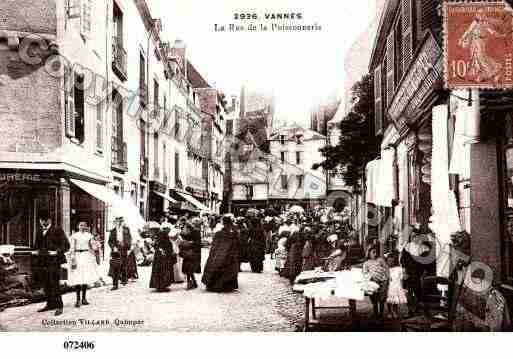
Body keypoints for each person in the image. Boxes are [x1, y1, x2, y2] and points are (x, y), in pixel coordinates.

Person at [33, 211, 70, 316]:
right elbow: (36, 245)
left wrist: (56, 252)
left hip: (54, 262)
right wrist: (35, 251)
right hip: (43, 261)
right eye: (40, 220)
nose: (42, 222)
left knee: (54, 284)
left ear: (49, 220)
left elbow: (66, 245)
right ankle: (49, 304)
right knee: (46, 284)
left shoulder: (57, 230)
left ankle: (59, 306)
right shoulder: (39, 231)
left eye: (44, 220)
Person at [202, 215, 240, 292]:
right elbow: (237, 244)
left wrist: (213, 254)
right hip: (229, 255)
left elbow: (214, 245)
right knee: (229, 269)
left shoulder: (219, 233)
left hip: (219, 254)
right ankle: (226, 285)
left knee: (216, 267)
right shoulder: (233, 234)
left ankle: (213, 284)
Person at [68, 221, 99, 308]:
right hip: (78, 256)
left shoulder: (89, 236)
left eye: (84, 225)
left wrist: (95, 245)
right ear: (78, 226)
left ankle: (84, 298)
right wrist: (73, 258)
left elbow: (93, 246)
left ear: (86, 227)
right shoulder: (74, 236)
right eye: (80, 225)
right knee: (78, 278)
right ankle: (77, 299)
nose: (82, 227)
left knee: (85, 277)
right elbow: (72, 247)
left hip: (86, 256)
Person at [363, 245, 389, 321]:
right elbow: (365, 273)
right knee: (374, 299)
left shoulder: (380, 260)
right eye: (373, 252)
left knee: (381, 299)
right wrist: (369, 278)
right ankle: (375, 314)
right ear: (369, 253)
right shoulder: (366, 263)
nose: (375, 254)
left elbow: (386, 268)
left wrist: (387, 278)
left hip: (382, 281)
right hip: (373, 283)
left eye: (376, 252)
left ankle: (381, 314)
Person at [108, 217, 133, 290]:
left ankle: (124, 279)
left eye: (120, 221)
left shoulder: (126, 229)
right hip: (116, 250)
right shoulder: (112, 231)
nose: (118, 223)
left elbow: (129, 238)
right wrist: (113, 247)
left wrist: (127, 246)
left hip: (124, 249)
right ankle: (115, 284)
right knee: (115, 266)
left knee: (124, 265)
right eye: (117, 222)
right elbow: (110, 241)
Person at [149, 223, 176, 291]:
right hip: (161, 255)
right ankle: (161, 285)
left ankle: (160, 285)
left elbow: (163, 244)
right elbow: (161, 244)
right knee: (162, 270)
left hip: (162, 255)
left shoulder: (160, 234)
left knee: (161, 270)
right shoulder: (160, 234)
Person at [385, 252, 407, 319]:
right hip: (390, 286)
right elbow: (386, 278)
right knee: (389, 300)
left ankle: (395, 311)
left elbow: (401, 279)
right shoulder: (387, 269)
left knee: (395, 300)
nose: (390, 263)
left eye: (392, 261)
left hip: (397, 286)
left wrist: (402, 287)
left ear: (395, 261)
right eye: (389, 261)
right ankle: (389, 311)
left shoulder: (398, 269)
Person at [178, 223, 198, 290]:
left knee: (189, 270)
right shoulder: (187, 234)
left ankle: (189, 284)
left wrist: (188, 243)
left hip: (189, 255)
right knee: (189, 270)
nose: (184, 229)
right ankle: (194, 283)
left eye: (186, 228)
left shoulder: (190, 234)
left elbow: (194, 243)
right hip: (188, 255)